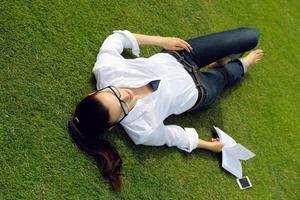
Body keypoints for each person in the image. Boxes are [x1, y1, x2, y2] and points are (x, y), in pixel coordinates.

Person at [68, 28, 264, 192]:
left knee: (250, 36)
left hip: (182, 55)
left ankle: (221, 61)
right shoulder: (142, 131)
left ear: (92, 93)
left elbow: (117, 38)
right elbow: (174, 137)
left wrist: (162, 40)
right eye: (122, 106)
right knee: (234, 70)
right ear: (113, 126)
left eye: (113, 92)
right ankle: (238, 65)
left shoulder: (106, 70)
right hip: (200, 91)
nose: (126, 95)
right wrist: (210, 146)